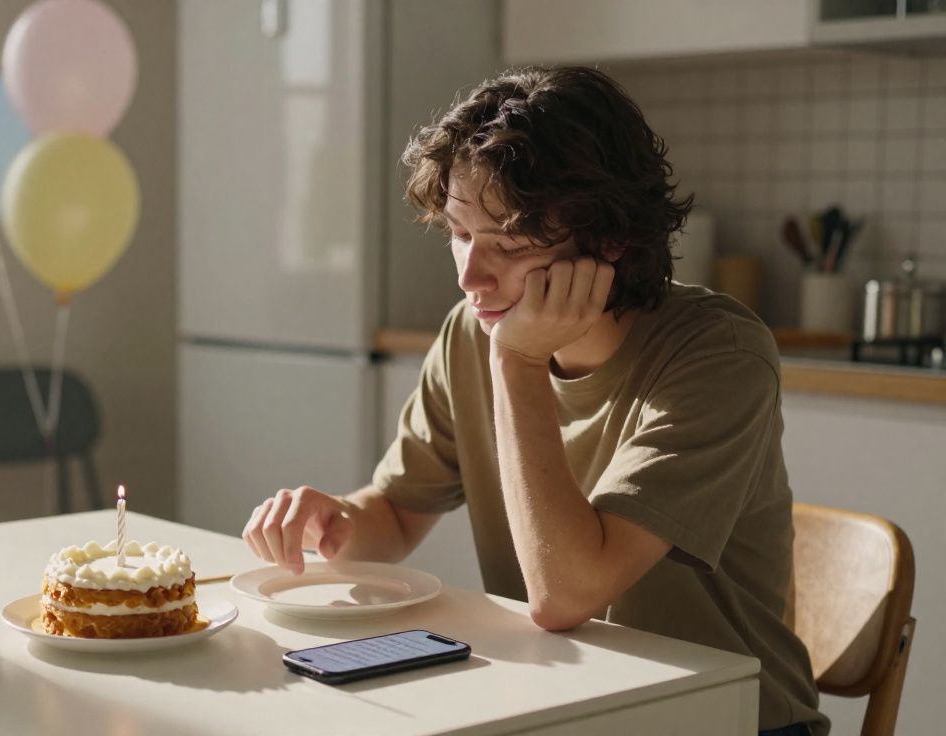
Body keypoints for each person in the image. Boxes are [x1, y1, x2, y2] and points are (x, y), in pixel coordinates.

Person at [241, 66, 826, 736]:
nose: (469, 276)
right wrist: (337, 521)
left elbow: (566, 594)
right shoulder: (477, 329)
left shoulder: (718, 354)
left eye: (509, 246)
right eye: (460, 234)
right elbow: (399, 511)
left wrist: (517, 365)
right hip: (570, 701)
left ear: (609, 241)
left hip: (728, 717)